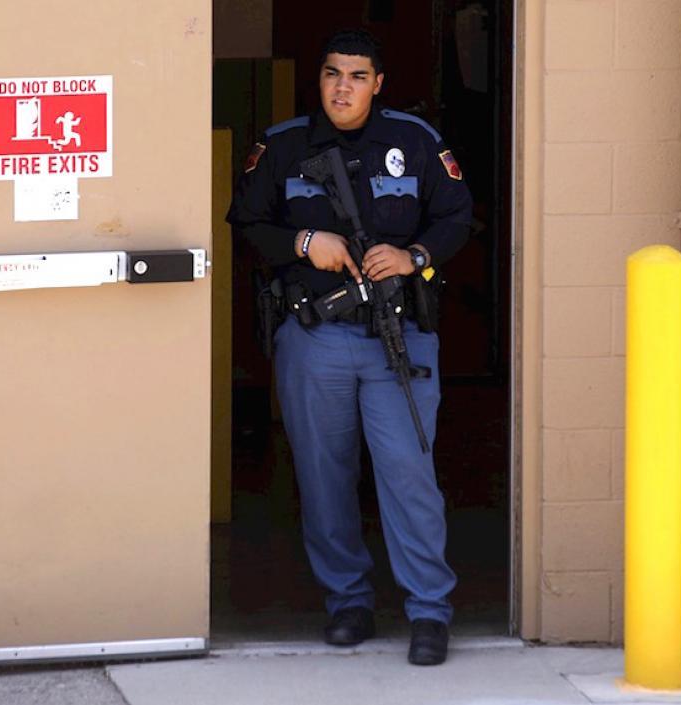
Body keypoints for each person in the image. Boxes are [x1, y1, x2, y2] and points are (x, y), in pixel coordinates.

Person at [226, 29, 473, 666]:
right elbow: (246, 223)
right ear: (321, 79)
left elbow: (455, 214)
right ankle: (348, 603)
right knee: (323, 479)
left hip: (399, 338)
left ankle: (428, 612)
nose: (343, 87)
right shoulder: (282, 146)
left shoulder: (414, 141)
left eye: (358, 76)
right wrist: (305, 242)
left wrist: (413, 255)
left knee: (409, 475)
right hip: (316, 338)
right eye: (333, 73)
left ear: (379, 83)